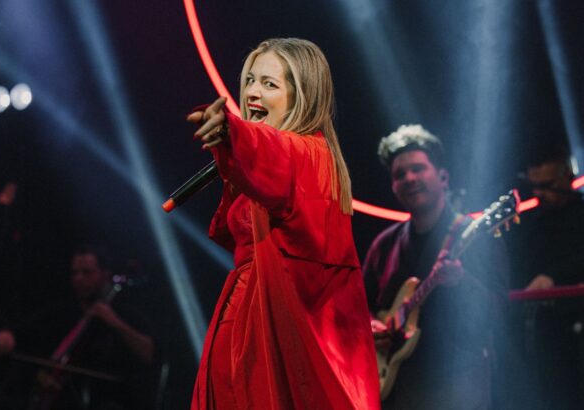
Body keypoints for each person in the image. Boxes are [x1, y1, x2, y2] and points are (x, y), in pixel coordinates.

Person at [186, 38, 380, 409]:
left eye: (269, 84)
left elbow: (269, 148)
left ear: (301, 97)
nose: (252, 93)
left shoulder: (305, 153)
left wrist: (231, 132)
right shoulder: (299, 156)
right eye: (250, 81)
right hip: (249, 327)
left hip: (267, 337)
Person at [362, 125, 509, 409]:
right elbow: (358, 304)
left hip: (457, 387)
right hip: (395, 388)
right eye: (399, 174)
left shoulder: (477, 236)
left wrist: (461, 282)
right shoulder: (384, 245)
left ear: (443, 177)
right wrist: (369, 324)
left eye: (418, 168)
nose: (409, 178)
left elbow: (498, 312)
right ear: (392, 186)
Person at [0, 245, 155, 409]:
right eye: (75, 273)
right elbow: (24, 333)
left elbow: (149, 354)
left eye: (87, 272)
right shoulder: (61, 312)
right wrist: (7, 336)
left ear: (105, 275)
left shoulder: (125, 313)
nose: (79, 278)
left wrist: (114, 322)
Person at [507, 148, 584, 409]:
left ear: (566, 176)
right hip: (538, 331)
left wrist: (554, 277)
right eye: (535, 186)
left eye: (547, 185)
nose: (539, 193)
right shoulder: (531, 222)